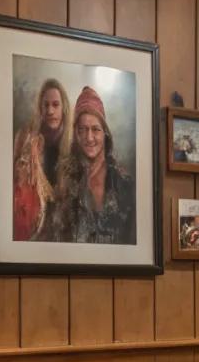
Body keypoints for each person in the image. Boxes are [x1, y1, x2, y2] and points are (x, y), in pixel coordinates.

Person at [39, 86, 136, 245]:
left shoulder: (124, 183)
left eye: (95, 129)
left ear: (105, 133)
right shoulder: (63, 179)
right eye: (82, 129)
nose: (89, 137)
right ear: (76, 133)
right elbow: (54, 238)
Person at [12, 78, 72, 241]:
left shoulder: (73, 147)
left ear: (64, 108)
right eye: (46, 105)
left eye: (55, 105)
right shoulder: (27, 141)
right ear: (40, 108)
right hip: (32, 231)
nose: (50, 111)